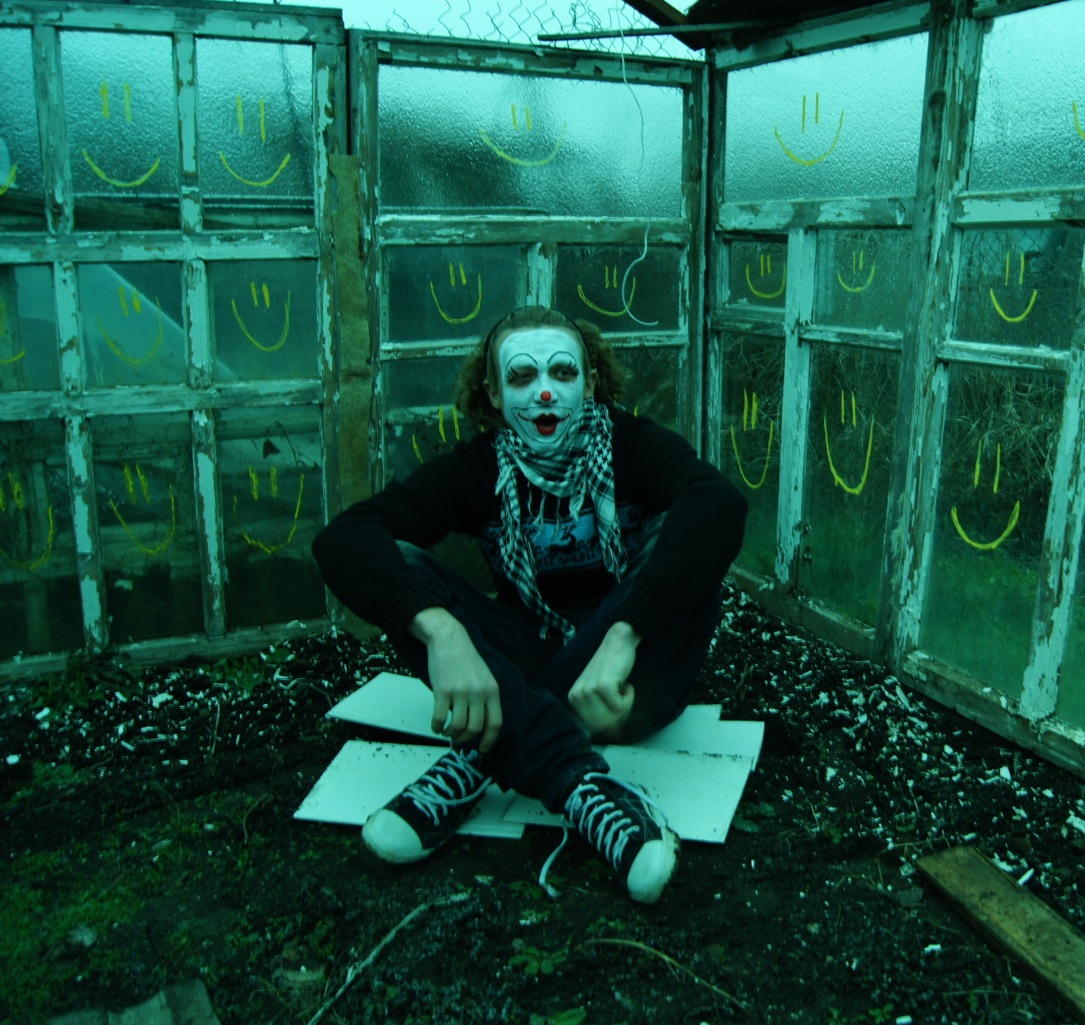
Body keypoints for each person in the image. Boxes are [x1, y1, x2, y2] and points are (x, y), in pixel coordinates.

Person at [311, 305, 747, 903]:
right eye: (521, 377)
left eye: (563, 373)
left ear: (589, 382)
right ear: (493, 393)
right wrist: (442, 633)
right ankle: (581, 787)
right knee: (402, 571)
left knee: (686, 536)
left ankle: (481, 758)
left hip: (628, 682)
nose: (545, 392)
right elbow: (345, 538)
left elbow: (720, 504)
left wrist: (623, 635)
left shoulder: (631, 444)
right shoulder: (478, 468)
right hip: (532, 649)